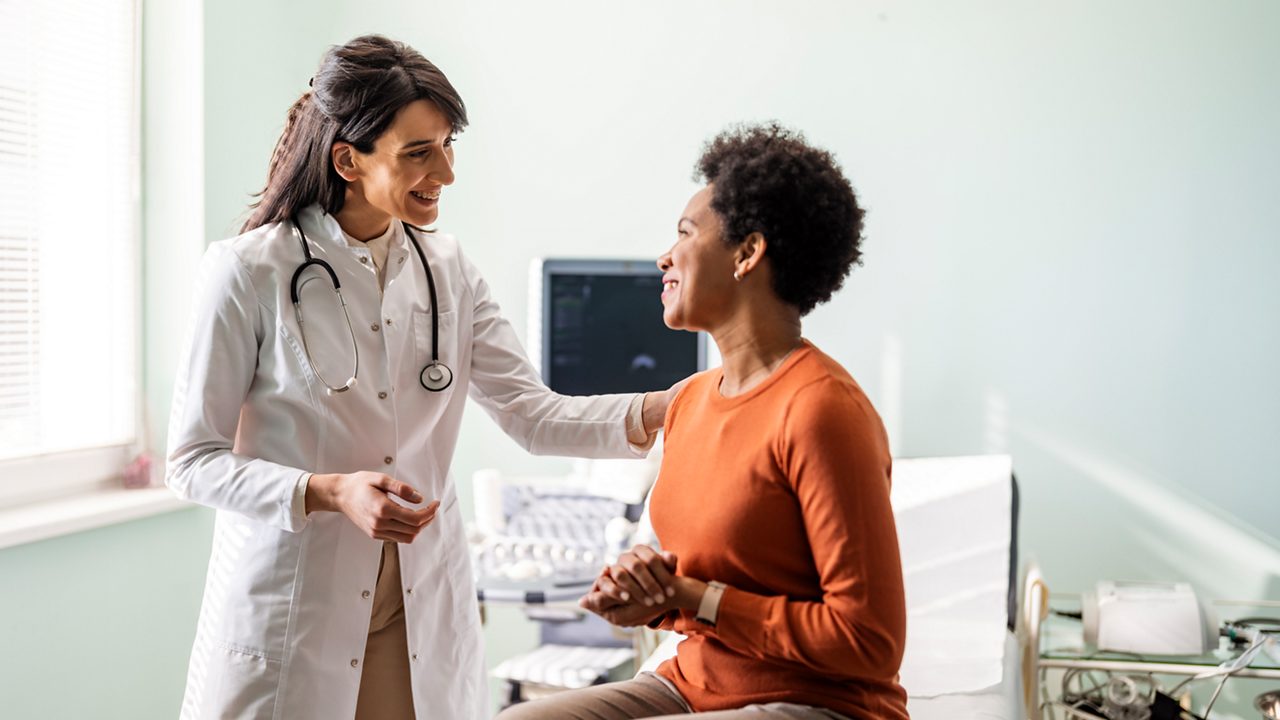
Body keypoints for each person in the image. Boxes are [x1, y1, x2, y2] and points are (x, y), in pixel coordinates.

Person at [165, 35, 678, 720]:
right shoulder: (249, 271)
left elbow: (531, 414)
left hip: (417, 613)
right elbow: (191, 462)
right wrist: (327, 491)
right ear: (348, 159)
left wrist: (673, 408)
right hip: (297, 613)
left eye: (446, 145)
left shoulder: (449, 269)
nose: (446, 172)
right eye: (418, 153)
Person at [495, 123, 910, 719]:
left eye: (685, 234)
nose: (664, 256)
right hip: (694, 682)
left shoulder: (822, 410)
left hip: (815, 701)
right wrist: (652, 594)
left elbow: (870, 641)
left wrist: (698, 598)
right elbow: (700, 583)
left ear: (747, 253)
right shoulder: (690, 401)